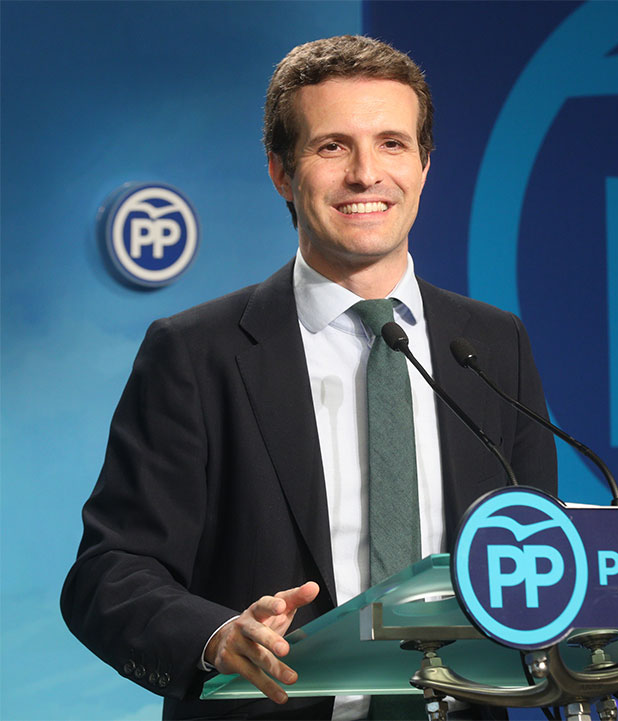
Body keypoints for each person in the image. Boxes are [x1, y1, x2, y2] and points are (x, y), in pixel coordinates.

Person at [62, 35, 559, 720]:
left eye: (392, 144)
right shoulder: (196, 352)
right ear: (280, 171)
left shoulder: (494, 346)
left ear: (424, 165)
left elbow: (535, 554)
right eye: (333, 146)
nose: (366, 174)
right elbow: (109, 573)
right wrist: (214, 636)